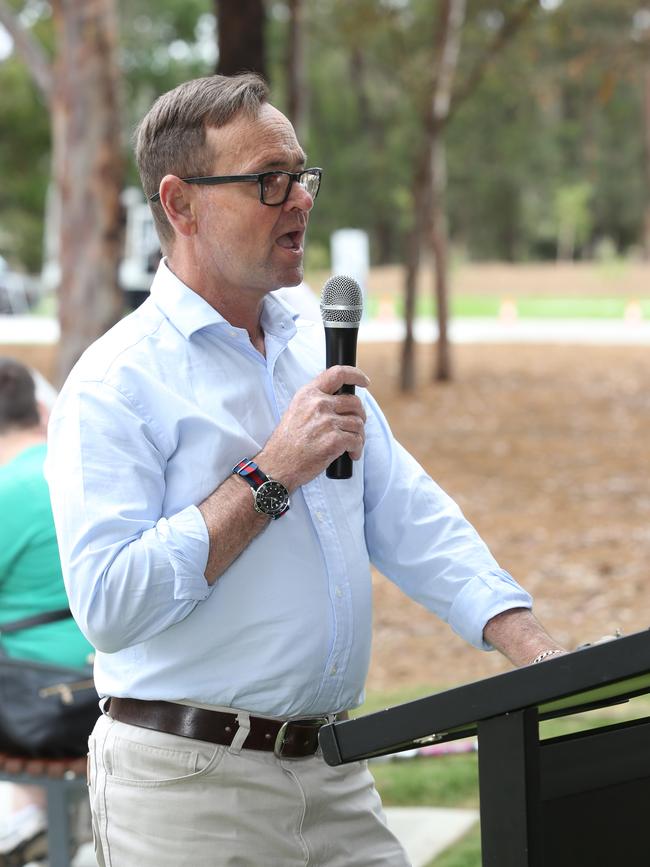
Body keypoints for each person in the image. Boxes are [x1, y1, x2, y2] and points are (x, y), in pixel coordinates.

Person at [46, 73, 565, 867]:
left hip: (333, 774)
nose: (300, 201)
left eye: (301, 175)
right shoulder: (115, 382)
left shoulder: (306, 342)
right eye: (268, 181)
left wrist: (533, 647)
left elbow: (403, 511)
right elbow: (110, 605)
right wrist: (270, 474)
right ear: (181, 204)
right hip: (189, 789)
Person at [0, 358, 94, 866]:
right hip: (103, 683)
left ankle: (24, 818)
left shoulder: (5, 493)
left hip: (38, 708)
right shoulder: (74, 470)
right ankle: (26, 816)